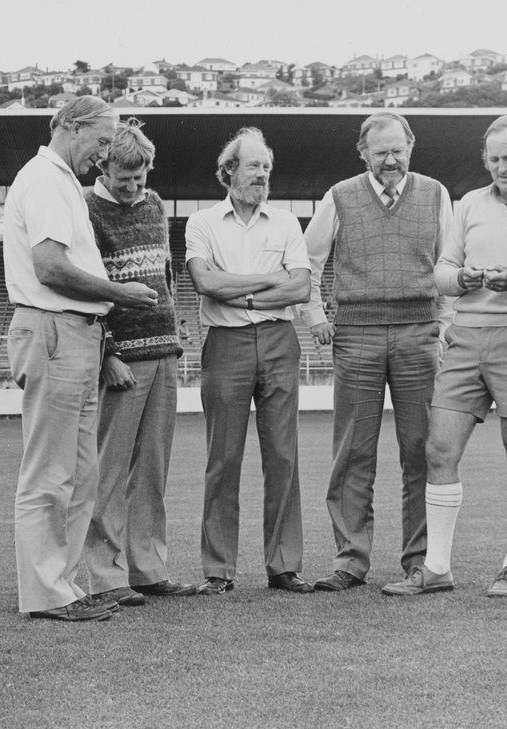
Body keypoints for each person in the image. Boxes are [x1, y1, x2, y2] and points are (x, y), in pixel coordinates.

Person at [382, 115, 507, 597]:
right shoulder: (468, 203)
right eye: (493, 158)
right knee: (438, 449)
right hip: (465, 338)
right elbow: (443, 270)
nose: (501, 167)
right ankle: (438, 568)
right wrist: (461, 279)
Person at [3, 97, 159, 622]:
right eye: (101, 139)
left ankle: (63, 586)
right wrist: (119, 292)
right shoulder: (46, 179)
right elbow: (49, 266)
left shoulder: (61, 180)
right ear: (70, 126)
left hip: (76, 334)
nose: (106, 151)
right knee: (49, 472)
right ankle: (47, 594)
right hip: (55, 329)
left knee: (78, 474)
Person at [301, 111, 452, 592]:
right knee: (353, 453)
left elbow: (450, 264)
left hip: (418, 335)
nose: (391, 160)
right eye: (380, 152)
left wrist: (444, 325)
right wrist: (316, 316)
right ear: (363, 152)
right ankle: (350, 560)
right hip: (357, 336)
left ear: (411, 148)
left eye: (398, 150)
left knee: (421, 452)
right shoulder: (339, 196)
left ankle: (421, 562)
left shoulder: (436, 193)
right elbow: (308, 259)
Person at [185, 127, 314, 595]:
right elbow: (206, 284)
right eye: (254, 166)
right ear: (229, 171)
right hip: (226, 345)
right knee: (223, 458)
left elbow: (299, 288)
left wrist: (244, 293)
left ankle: (283, 566)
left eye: (266, 167)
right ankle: (218, 570)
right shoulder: (201, 222)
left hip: (279, 339)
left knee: (283, 456)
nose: (263, 175)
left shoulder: (285, 222)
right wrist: (267, 281)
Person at [80, 120, 195, 607]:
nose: (133, 187)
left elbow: (165, 274)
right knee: (109, 472)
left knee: (152, 469)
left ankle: (148, 569)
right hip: (122, 360)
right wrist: (108, 354)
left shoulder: (154, 204)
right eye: (124, 178)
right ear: (103, 166)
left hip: (163, 351)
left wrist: (175, 334)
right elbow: (85, 287)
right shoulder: (84, 207)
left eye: (141, 176)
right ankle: (106, 577)